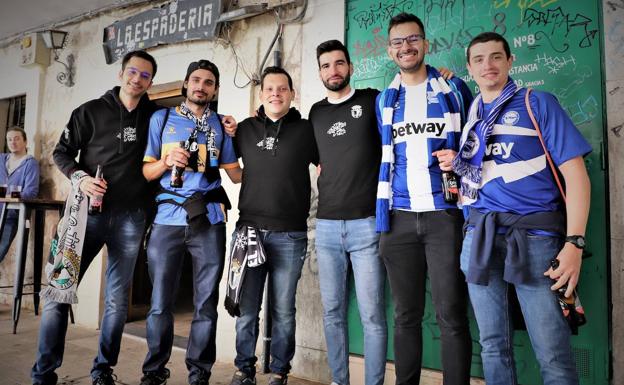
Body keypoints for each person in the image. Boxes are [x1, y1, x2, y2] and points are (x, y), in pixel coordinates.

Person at [453, 31, 591, 385]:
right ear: (469, 68)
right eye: (479, 59)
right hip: (480, 238)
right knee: (493, 346)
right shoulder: (472, 114)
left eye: (497, 57)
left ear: (511, 61)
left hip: (536, 241)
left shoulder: (537, 103)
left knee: (553, 353)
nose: (489, 65)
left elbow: (577, 177)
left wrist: (574, 244)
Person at [32, 50, 160, 385]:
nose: (137, 79)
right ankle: (43, 374)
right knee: (58, 292)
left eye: (145, 75)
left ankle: (102, 370)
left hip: (131, 219)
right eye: (132, 72)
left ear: (150, 82)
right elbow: (61, 152)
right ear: (121, 74)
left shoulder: (156, 117)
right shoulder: (88, 111)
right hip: (82, 217)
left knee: (117, 301)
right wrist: (81, 178)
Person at [375, 12, 474, 385]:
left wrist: (460, 160)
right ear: (389, 50)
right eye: (398, 41)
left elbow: (474, 144)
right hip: (398, 217)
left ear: (425, 44)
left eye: (413, 38)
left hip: (444, 216)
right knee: (405, 315)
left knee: (451, 313)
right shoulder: (385, 100)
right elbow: (385, 153)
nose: (406, 46)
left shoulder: (455, 90)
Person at [140, 59, 242, 385]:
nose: (201, 86)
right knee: (159, 304)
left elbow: (234, 173)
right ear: (186, 84)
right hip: (167, 219)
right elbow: (146, 171)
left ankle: (199, 374)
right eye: (196, 80)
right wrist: (167, 160)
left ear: (215, 89)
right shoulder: (162, 118)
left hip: (209, 220)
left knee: (206, 305)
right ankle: (154, 373)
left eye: (209, 82)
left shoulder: (221, 126)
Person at [228, 67, 318, 385]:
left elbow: (327, 165)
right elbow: (228, 164)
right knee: (246, 309)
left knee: (284, 310)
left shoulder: (308, 130)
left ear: (292, 94)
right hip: (248, 233)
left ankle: (279, 371)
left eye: (282, 88)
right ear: (261, 93)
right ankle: (244, 369)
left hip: (290, 234)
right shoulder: (244, 129)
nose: (275, 93)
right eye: (269, 88)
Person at [308, 40, 387, 385]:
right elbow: (317, 159)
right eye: (326, 66)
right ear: (320, 72)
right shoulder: (315, 113)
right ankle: (340, 381)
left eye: (339, 64)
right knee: (333, 313)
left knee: (372, 315)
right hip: (325, 227)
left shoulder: (372, 100)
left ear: (350, 67)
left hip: (366, 224)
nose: (333, 71)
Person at [0, 127, 40, 263]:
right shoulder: (1, 160)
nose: (13, 142)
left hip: (10, 217)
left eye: (17, 138)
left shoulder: (30, 164)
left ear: (25, 141)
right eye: (9, 139)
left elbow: (31, 192)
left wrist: (8, 195)